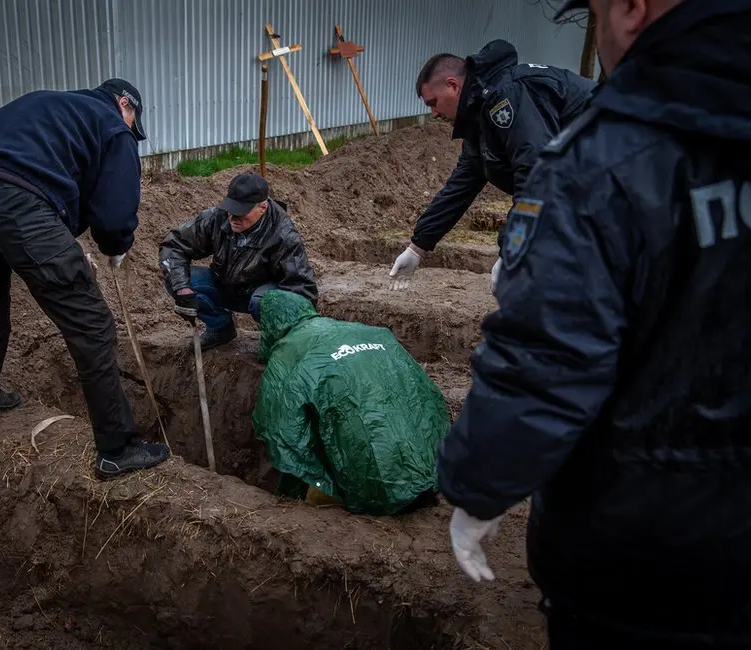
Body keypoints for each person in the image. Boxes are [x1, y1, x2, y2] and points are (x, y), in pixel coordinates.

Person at [435, 0, 751, 647]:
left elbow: (545, 363)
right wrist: (420, 241)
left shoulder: (606, 159)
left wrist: (479, 488)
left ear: (631, 8)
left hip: (636, 573)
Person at [0, 78, 170, 479]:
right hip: (17, 196)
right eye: (133, 120)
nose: (131, 130)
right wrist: (115, 244)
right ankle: (117, 448)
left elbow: (70, 190)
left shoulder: (57, 108)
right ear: (124, 104)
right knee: (92, 323)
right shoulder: (113, 125)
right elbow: (115, 214)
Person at [388, 38, 597, 292]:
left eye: (433, 102)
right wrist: (417, 247)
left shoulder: (507, 98)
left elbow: (535, 175)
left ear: (453, 86)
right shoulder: (480, 117)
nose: (433, 113)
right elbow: (460, 187)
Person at [251, 290, 450, 516]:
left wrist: (304, 485)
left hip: (373, 489)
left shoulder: (285, 356)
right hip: (433, 469)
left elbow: (281, 431)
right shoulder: (372, 333)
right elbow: (429, 395)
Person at [159, 172, 318, 350]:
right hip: (226, 286)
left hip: (259, 296)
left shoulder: (283, 235)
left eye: (241, 212)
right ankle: (220, 328)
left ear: (263, 207)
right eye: (231, 209)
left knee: (265, 301)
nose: (233, 217)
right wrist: (182, 289)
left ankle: (278, 343)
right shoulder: (217, 218)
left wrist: (293, 329)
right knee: (176, 277)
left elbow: (304, 291)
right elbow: (174, 245)